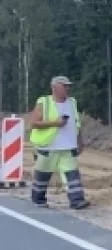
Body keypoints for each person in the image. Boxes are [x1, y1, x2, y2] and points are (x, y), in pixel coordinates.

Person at [27, 75, 89, 209]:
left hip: (68, 146)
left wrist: (80, 141)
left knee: (72, 175)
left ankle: (77, 200)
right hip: (48, 147)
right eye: (64, 85)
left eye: (68, 86)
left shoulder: (72, 102)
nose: (68, 88)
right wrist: (55, 123)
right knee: (42, 175)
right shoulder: (45, 102)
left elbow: (76, 123)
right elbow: (33, 123)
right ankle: (38, 199)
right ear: (54, 87)